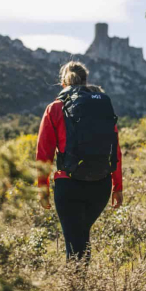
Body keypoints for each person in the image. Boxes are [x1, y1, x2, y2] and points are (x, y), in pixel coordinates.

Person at [36, 61, 123, 261]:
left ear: (63, 82)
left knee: (75, 244)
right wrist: (117, 186)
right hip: (101, 185)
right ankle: (82, 287)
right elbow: (114, 148)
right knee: (81, 238)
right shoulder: (101, 107)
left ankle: (77, 288)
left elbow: (44, 153)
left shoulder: (55, 108)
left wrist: (43, 188)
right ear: (85, 81)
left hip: (69, 186)